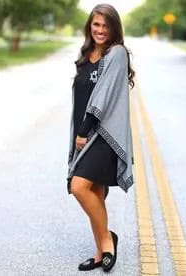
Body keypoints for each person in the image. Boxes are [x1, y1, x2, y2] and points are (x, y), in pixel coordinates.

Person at [67, 4, 135, 273]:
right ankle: (100, 251)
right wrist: (76, 132)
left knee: (79, 187)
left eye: (106, 25)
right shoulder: (85, 57)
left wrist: (85, 131)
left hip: (103, 134)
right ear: (89, 26)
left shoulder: (116, 54)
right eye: (96, 25)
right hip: (84, 131)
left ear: (114, 28)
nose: (100, 30)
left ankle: (107, 240)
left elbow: (104, 98)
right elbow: (80, 98)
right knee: (94, 192)